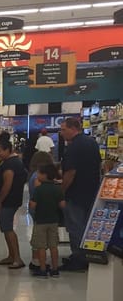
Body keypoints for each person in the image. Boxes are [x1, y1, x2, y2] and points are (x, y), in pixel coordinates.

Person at [58, 116, 102, 272]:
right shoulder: (92, 143)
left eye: (63, 129)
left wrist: (61, 191)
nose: (61, 133)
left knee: (75, 226)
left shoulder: (74, 147)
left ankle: (78, 260)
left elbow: (70, 173)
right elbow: (99, 165)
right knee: (86, 226)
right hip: (91, 192)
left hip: (76, 194)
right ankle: (85, 255)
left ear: (73, 128)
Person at [0, 133, 27, 269]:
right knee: (6, 229)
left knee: (8, 229)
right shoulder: (10, 161)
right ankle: (11, 256)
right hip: (10, 200)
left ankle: (17, 258)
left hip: (8, 201)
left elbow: (7, 184)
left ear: (8, 150)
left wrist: (0, 200)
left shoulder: (10, 164)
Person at [29, 163, 64, 278]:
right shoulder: (57, 189)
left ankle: (43, 270)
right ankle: (55, 269)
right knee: (53, 246)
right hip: (53, 221)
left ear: (45, 175)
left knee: (41, 247)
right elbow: (62, 205)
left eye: (39, 173)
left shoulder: (39, 190)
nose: (37, 175)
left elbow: (33, 205)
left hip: (40, 222)